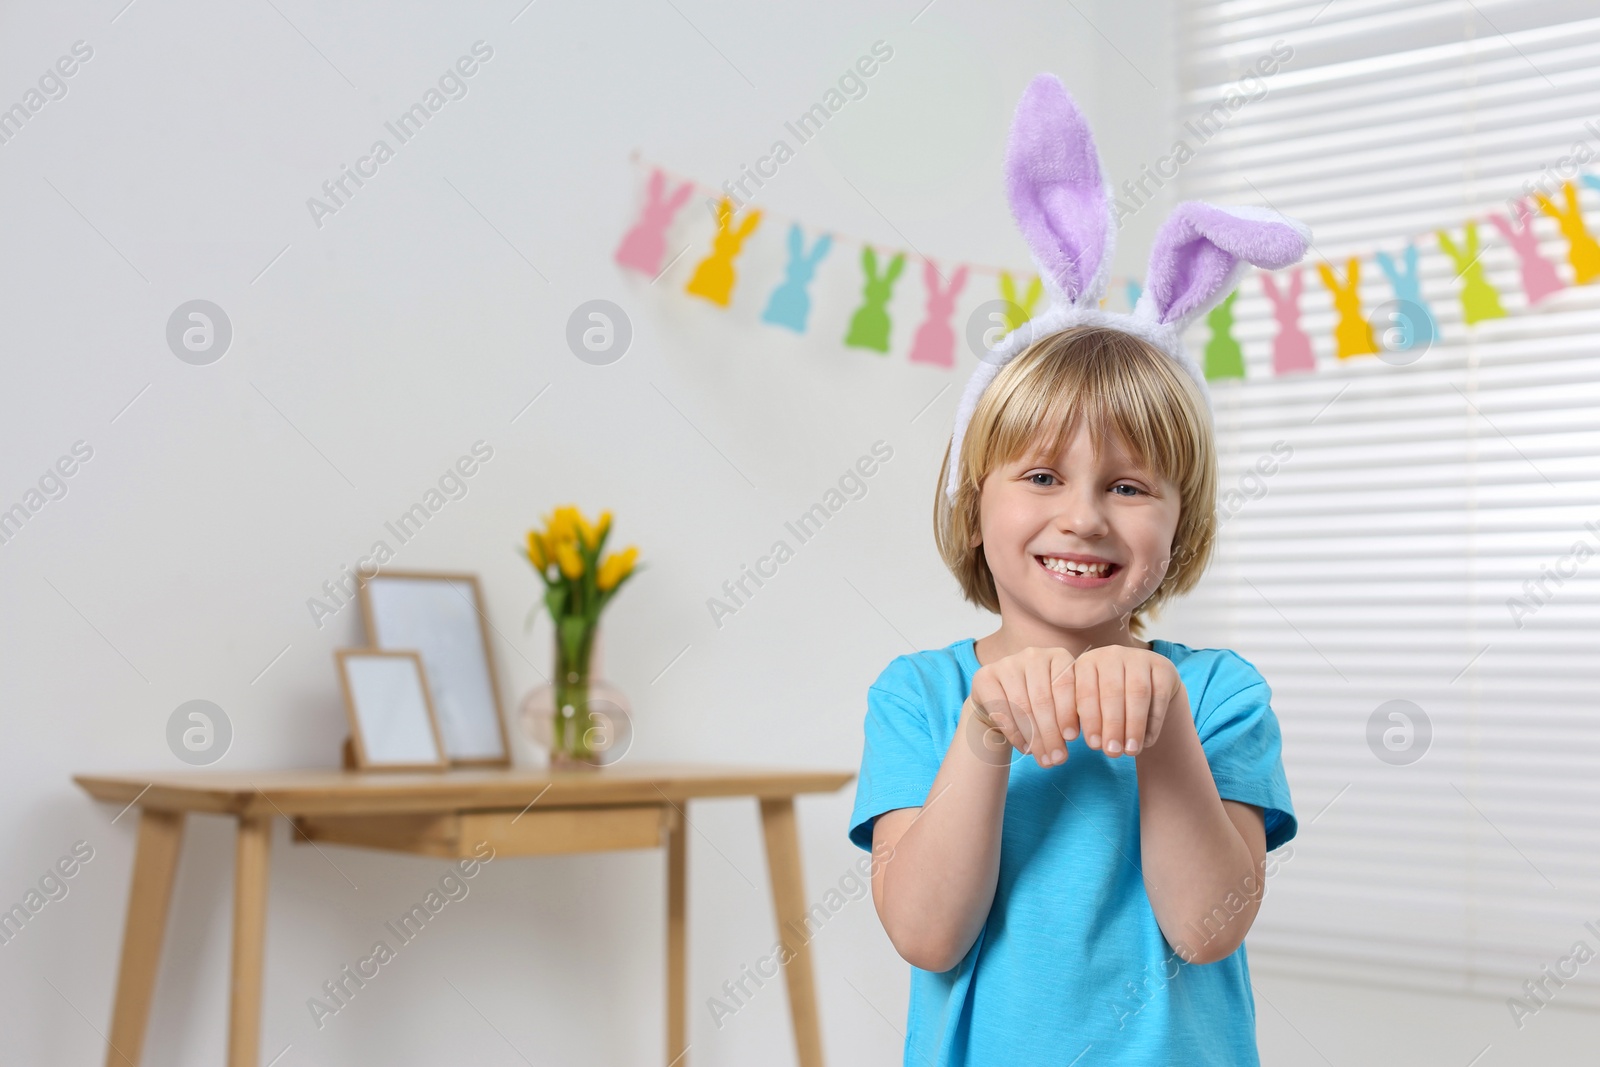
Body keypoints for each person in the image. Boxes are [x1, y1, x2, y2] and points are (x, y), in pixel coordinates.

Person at [847, 73, 1309, 1066]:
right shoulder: (921, 697)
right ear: (975, 503)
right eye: (1044, 473)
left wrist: (1164, 727)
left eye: (1131, 486)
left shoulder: (1217, 694)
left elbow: (1206, 926)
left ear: (1179, 522)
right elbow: (927, 934)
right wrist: (982, 735)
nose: (1085, 516)